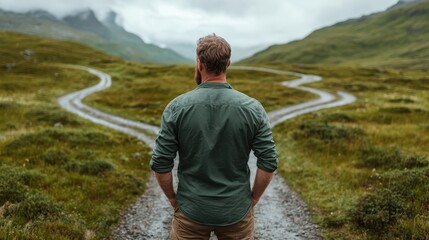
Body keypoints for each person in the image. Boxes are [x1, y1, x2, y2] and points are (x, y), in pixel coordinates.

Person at [150, 34, 278, 239]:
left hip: (191, 211)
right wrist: (253, 199)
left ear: (199, 63)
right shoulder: (252, 108)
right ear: (228, 63)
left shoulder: (177, 107)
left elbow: (161, 163)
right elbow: (268, 161)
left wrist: (173, 200)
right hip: (236, 211)